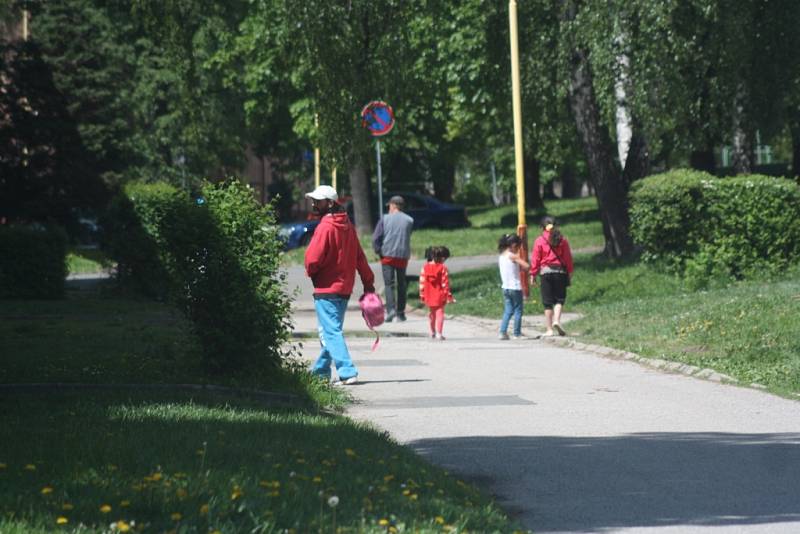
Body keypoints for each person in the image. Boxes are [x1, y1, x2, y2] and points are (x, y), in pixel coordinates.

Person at [304, 185, 375, 385]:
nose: (314, 204)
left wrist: (312, 272)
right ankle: (320, 373)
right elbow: (360, 257)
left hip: (326, 289)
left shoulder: (325, 227)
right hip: (344, 289)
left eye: (318, 201)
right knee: (331, 331)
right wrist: (368, 283)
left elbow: (312, 259)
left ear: (329, 203)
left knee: (331, 332)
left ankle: (347, 371)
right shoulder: (347, 226)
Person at [372, 195, 414, 322]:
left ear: (394, 205)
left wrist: (378, 250)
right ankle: (401, 313)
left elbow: (376, 237)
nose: (388, 208)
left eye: (389, 205)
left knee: (389, 284)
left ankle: (391, 310)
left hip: (387, 256)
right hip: (402, 255)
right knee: (401, 284)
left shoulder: (385, 219)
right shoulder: (409, 220)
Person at [530, 216, 574, 336]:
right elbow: (567, 258)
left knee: (547, 302)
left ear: (542, 227)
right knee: (560, 299)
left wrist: (533, 274)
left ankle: (549, 329)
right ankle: (557, 321)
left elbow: (536, 259)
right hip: (560, 272)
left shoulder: (539, 240)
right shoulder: (562, 240)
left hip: (545, 273)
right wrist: (569, 273)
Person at [497, 233, 530, 340]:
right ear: (514, 245)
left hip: (505, 287)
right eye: (518, 247)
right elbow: (526, 266)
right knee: (518, 311)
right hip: (515, 287)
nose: (519, 249)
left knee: (508, 310)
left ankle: (502, 332)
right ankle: (517, 333)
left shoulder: (502, 256)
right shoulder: (513, 256)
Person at [419, 246, 455, 340]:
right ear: (442, 258)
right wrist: (449, 296)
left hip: (429, 295)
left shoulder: (425, 267)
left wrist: (422, 295)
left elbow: (422, 283)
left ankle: (432, 332)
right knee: (440, 314)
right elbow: (445, 284)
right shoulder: (443, 268)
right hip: (439, 295)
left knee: (432, 314)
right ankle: (439, 333)